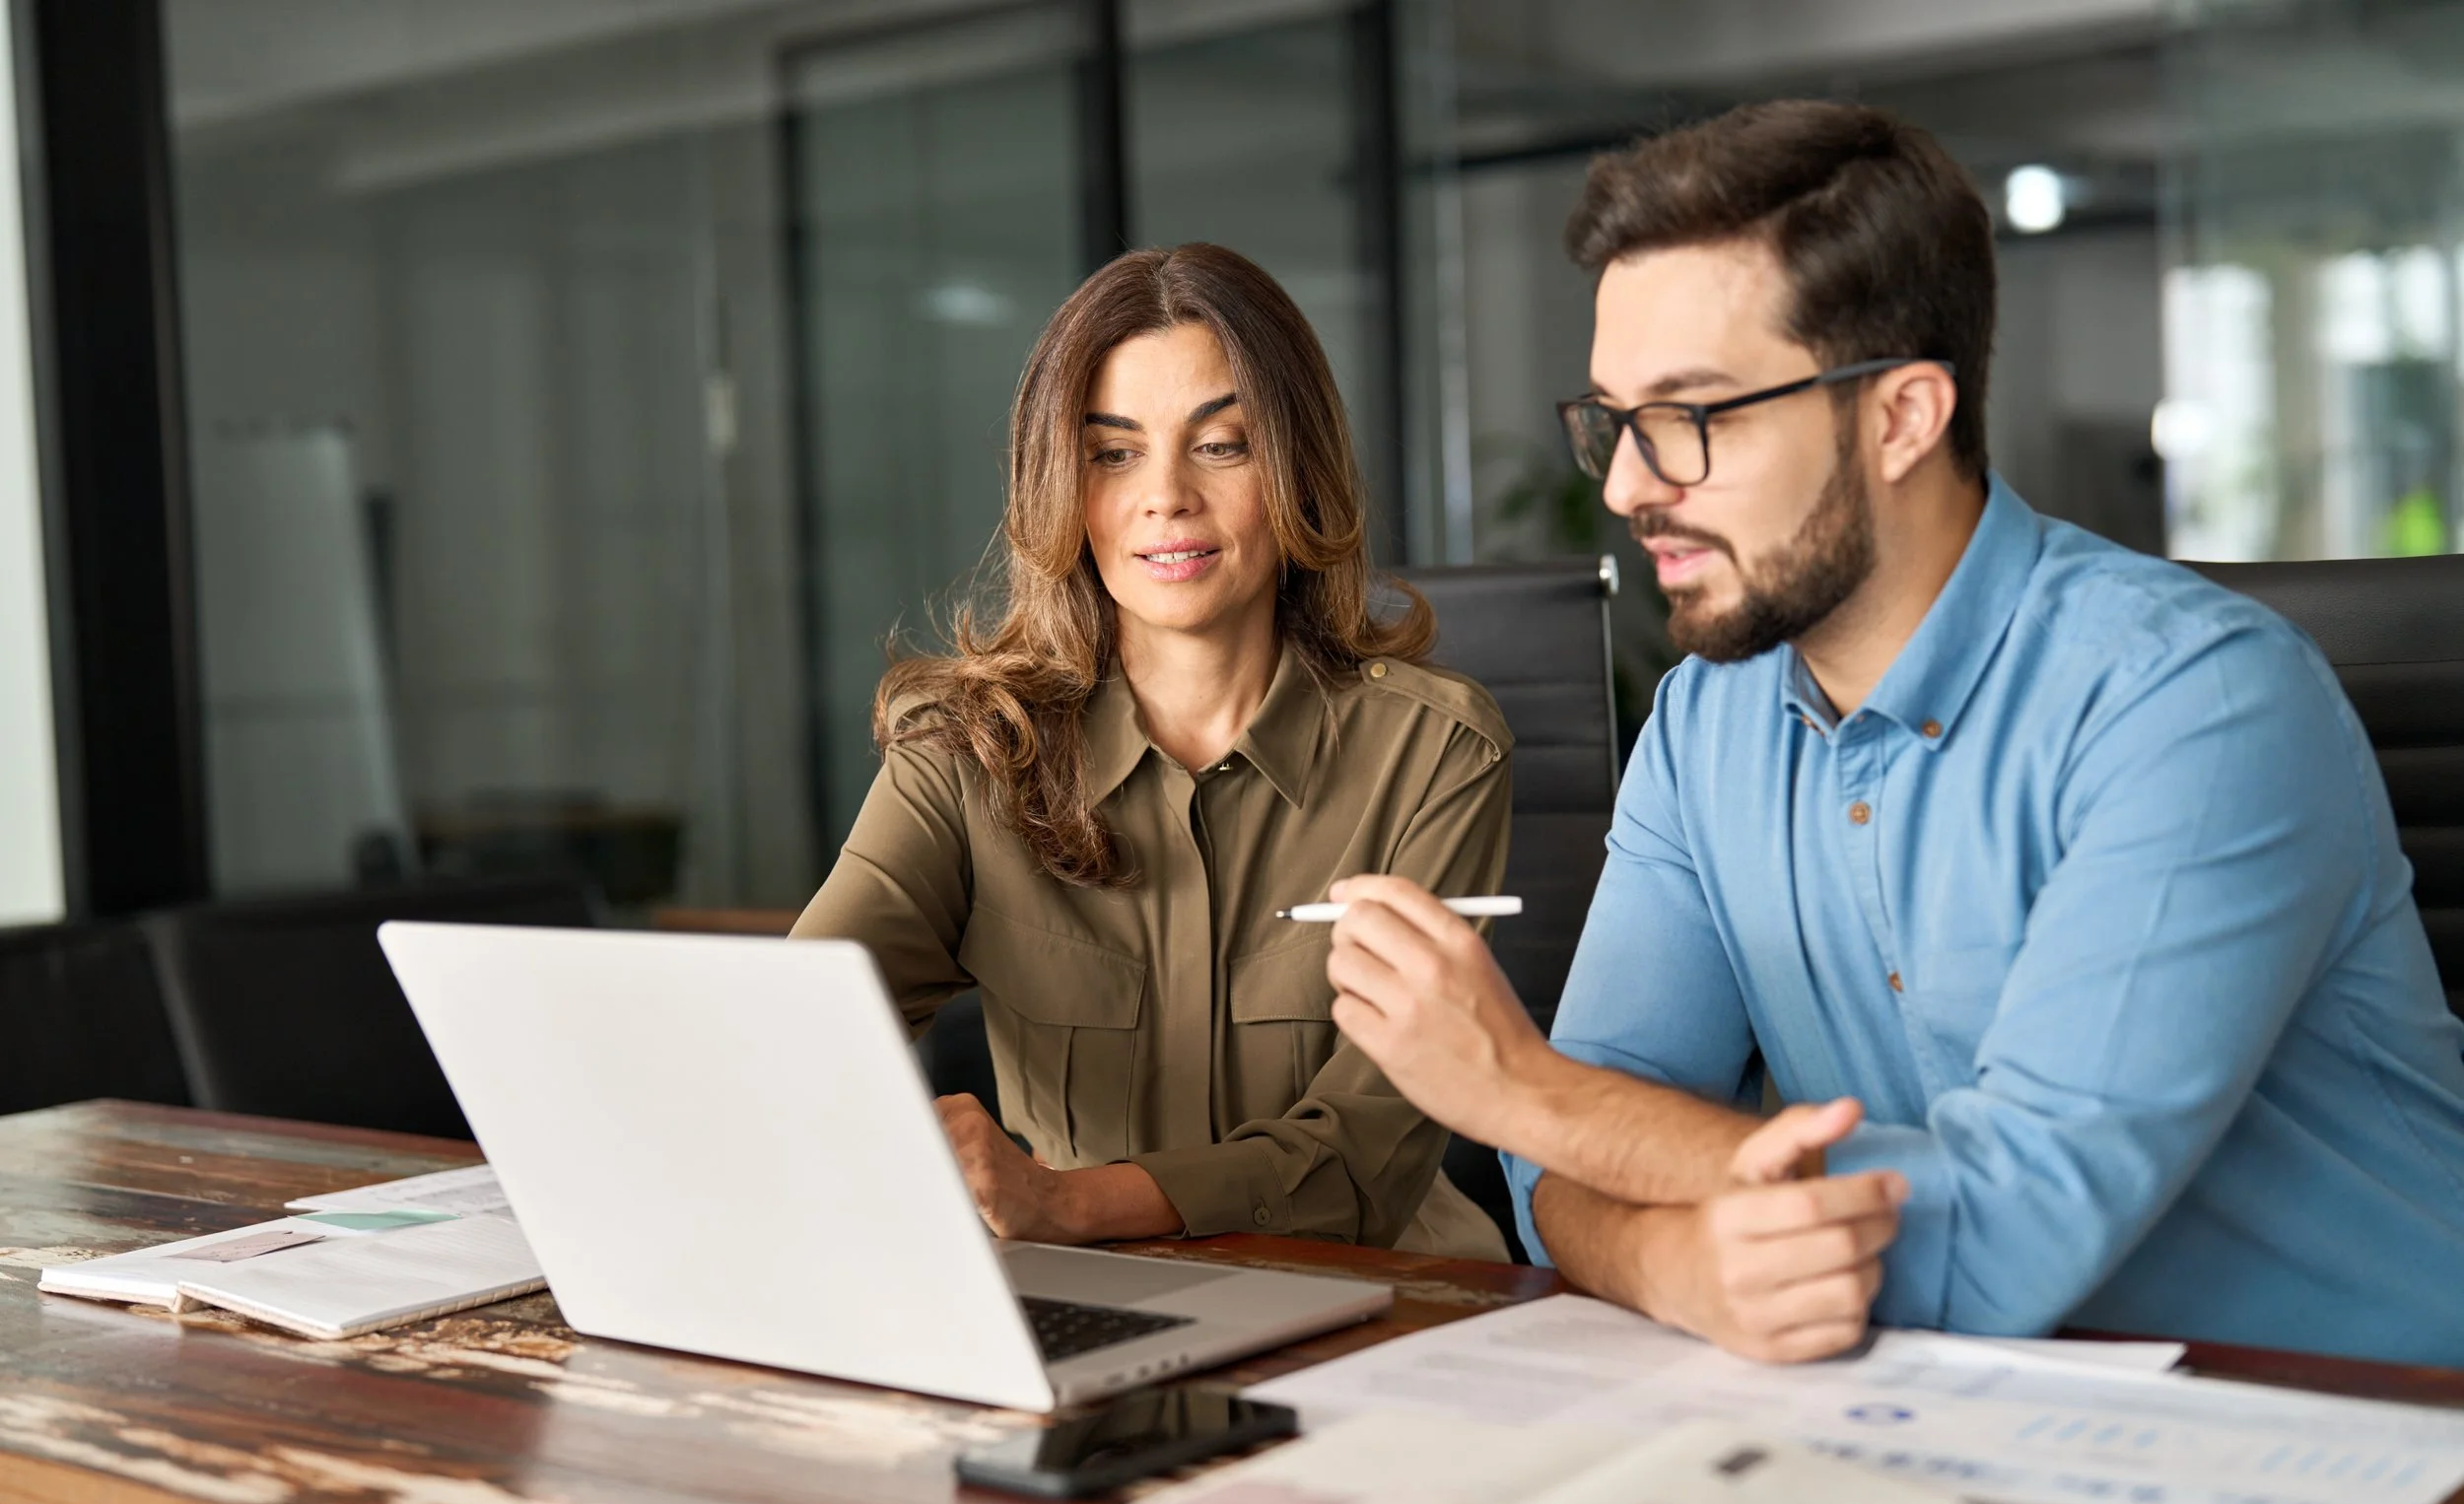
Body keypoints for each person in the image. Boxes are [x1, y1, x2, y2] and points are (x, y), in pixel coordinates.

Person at [1321, 101, 2464, 1366]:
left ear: (1903, 417)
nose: (1627, 485)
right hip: (1968, 1429)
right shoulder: (1708, 723)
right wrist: (1673, 1262)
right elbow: (1566, 1175)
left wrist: (1517, 1087)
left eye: (1692, 417)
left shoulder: (2198, 704)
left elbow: (1997, 1240)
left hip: (2369, 1440)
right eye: (1609, 418)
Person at [792, 241, 1513, 1260]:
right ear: (1060, 482)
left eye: (1220, 444)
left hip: (1384, 1297)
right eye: (1112, 452)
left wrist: (1069, 1202)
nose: (1164, 495)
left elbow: (1367, 1145)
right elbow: (800, 1023)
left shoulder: (1432, 751)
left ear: (1295, 466)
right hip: (1084, 1305)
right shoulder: (962, 755)